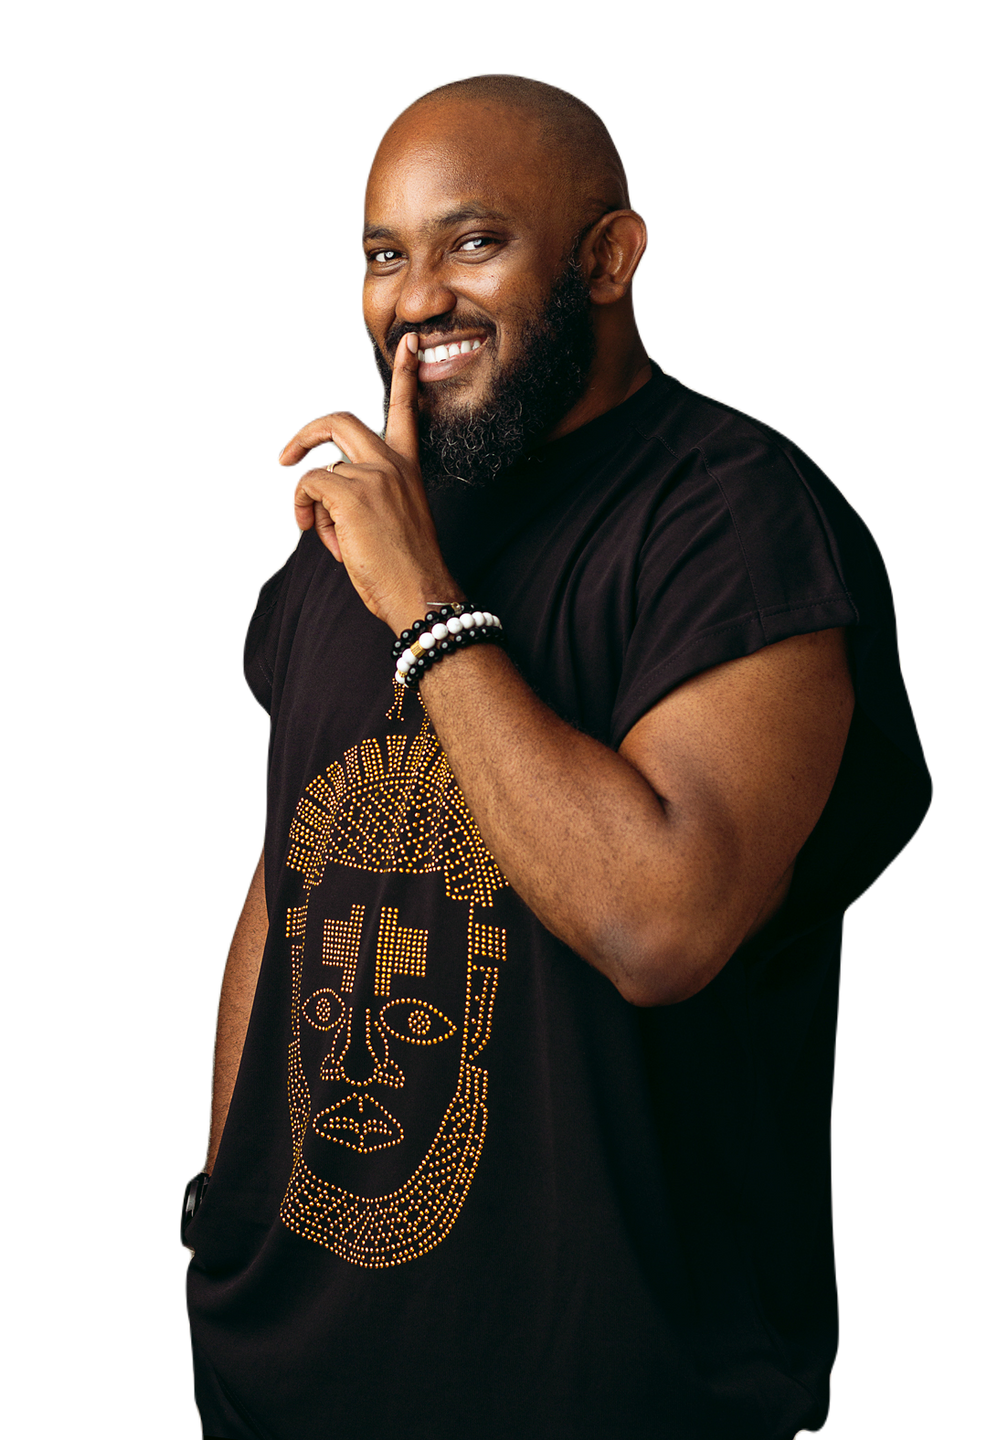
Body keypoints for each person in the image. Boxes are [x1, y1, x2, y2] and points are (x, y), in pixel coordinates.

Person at [179, 72, 933, 1440]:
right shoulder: (345, 545)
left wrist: (424, 606)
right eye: (382, 257)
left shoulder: (733, 519)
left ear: (610, 256)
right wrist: (226, 1200)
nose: (417, 300)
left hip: (609, 1389)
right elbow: (291, 884)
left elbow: (661, 924)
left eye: (473, 243)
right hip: (283, 1375)